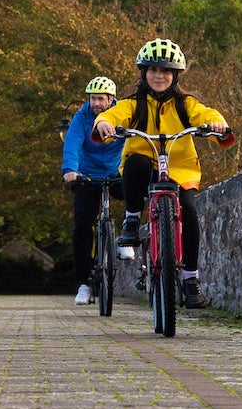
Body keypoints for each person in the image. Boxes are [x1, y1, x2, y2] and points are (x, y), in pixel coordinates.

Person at [92, 38, 231, 309]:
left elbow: (205, 113)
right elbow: (113, 115)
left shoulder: (185, 103)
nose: (159, 76)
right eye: (153, 70)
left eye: (166, 71)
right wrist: (104, 124)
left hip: (180, 169)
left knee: (189, 212)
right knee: (136, 162)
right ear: (144, 73)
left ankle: (191, 279)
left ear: (175, 75)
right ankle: (132, 219)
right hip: (144, 167)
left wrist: (217, 124)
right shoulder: (134, 103)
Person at [62, 76, 124, 305]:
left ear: (111, 99)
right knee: (81, 225)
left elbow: (132, 141)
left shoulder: (121, 114)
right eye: (92, 98)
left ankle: (126, 238)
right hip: (87, 175)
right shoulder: (82, 117)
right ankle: (84, 284)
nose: (95, 103)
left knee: (138, 193)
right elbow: (73, 142)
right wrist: (70, 169)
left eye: (100, 99)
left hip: (116, 172)